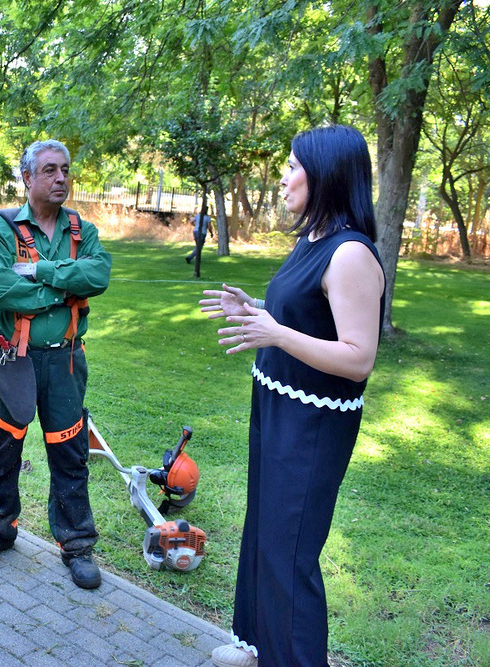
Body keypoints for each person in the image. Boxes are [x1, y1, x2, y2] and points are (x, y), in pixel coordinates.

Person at [199, 125, 385, 667]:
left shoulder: (351, 253)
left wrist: (275, 333)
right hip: (277, 405)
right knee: (264, 534)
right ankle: (258, 646)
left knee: (291, 553)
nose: (281, 178)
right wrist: (258, 310)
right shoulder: (312, 240)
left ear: (325, 174)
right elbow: (309, 318)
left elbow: (358, 357)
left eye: (291, 166)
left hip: (313, 424)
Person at [0, 139, 112, 590]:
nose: (61, 178)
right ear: (27, 178)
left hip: (65, 362)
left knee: (69, 451)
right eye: (49, 170)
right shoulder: (1, 229)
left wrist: (40, 273)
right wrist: (66, 287)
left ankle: (77, 544)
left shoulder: (82, 230)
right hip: (13, 357)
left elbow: (99, 276)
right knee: (4, 446)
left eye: (65, 169)